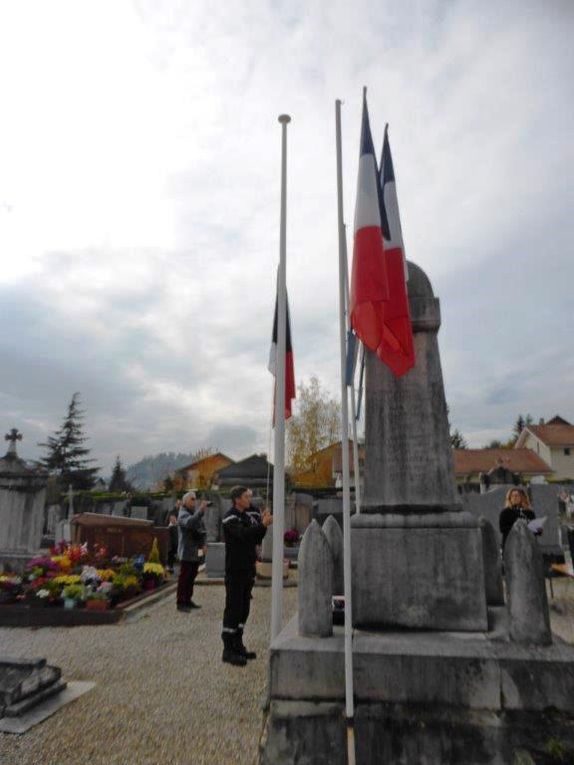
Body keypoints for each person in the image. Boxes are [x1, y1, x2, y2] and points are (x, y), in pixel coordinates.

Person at [221, 485, 272, 666]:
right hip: (235, 570)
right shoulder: (230, 518)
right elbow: (242, 535)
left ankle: (238, 644)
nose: (249, 499)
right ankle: (228, 649)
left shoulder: (245, 516)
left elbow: (255, 537)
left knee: (244, 609)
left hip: (247, 570)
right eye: (245, 496)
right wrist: (262, 525)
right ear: (237, 499)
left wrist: (263, 524)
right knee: (233, 609)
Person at [176, 491, 207, 612]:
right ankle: (181, 602)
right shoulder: (182, 514)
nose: (194, 502)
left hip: (195, 551)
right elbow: (189, 523)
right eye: (192, 499)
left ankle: (188, 599)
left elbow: (201, 529)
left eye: (195, 499)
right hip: (186, 552)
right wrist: (201, 511)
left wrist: (203, 544)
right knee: (184, 577)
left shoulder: (194, 514)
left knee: (192, 576)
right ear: (184, 501)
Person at [499, 487, 538, 551]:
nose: (514, 497)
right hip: (511, 546)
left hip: (527, 546)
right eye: (512, 496)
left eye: (516, 495)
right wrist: (516, 527)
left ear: (522, 497)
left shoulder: (530, 513)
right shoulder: (505, 512)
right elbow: (502, 529)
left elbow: (536, 531)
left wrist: (525, 527)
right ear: (509, 498)